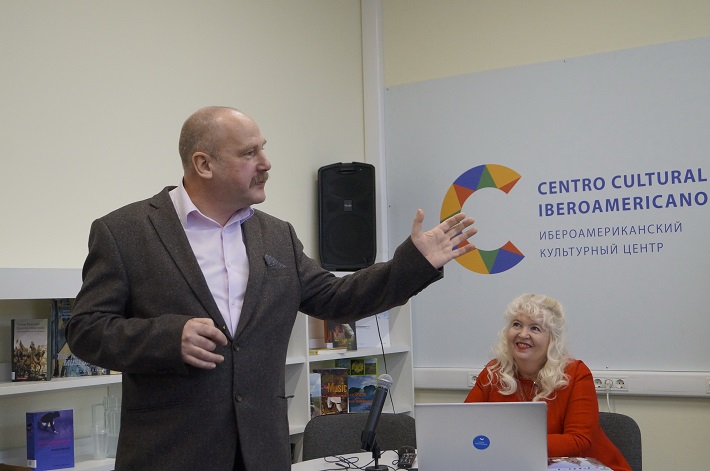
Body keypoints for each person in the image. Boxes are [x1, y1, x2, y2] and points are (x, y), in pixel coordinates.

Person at [66, 106, 477, 471]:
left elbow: (338, 299)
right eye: (249, 153)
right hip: (170, 454)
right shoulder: (126, 232)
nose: (266, 163)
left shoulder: (277, 235)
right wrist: (168, 338)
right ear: (203, 164)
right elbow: (85, 329)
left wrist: (414, 263)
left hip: (263, 453)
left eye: (263, 149)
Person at [464, 294, 631, 471]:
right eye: (517, 324)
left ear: (552, 339)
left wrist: (505, 444)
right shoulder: (493, 373)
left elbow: (578, 442)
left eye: (535, 328)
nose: (523, 334)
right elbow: (464, 428)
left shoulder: (575, 373)